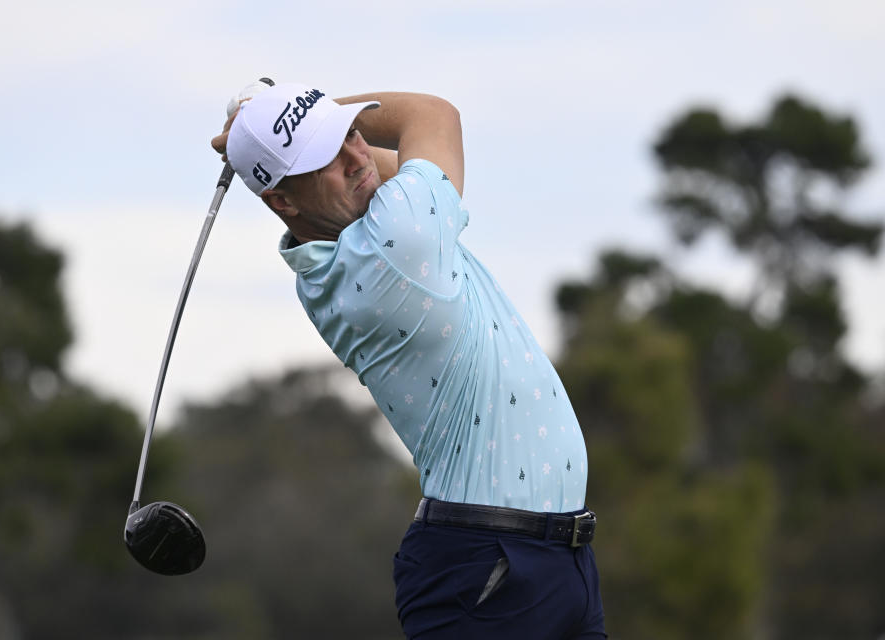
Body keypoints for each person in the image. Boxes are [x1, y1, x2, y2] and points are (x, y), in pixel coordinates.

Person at [211, 80, 606, 639]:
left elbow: (376, 168)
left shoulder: (348, 240)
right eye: (325, 155)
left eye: (349, 136)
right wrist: (291, 108)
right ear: (282, 201)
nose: (355, 158)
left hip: (550, 562)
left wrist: (278, 123)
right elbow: (432, 116)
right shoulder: (397, 242)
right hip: (491, 569)